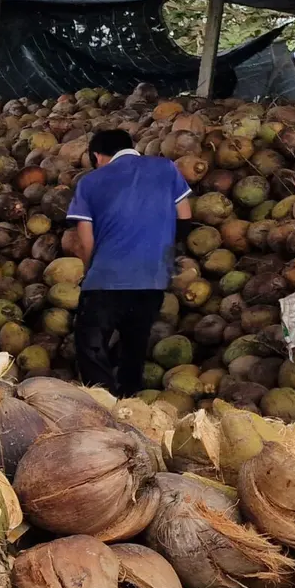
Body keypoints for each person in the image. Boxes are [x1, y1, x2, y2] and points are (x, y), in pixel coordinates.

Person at [66, 128, 193, 396]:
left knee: (91, 345)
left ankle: (103, 405)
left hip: (106, 278)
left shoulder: (90, 182)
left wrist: (90, 271)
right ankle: (129, 403)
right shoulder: (166, 169)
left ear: (97, 155)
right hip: (152, 279)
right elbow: (184, 217)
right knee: (134, 345)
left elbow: (86, 241)